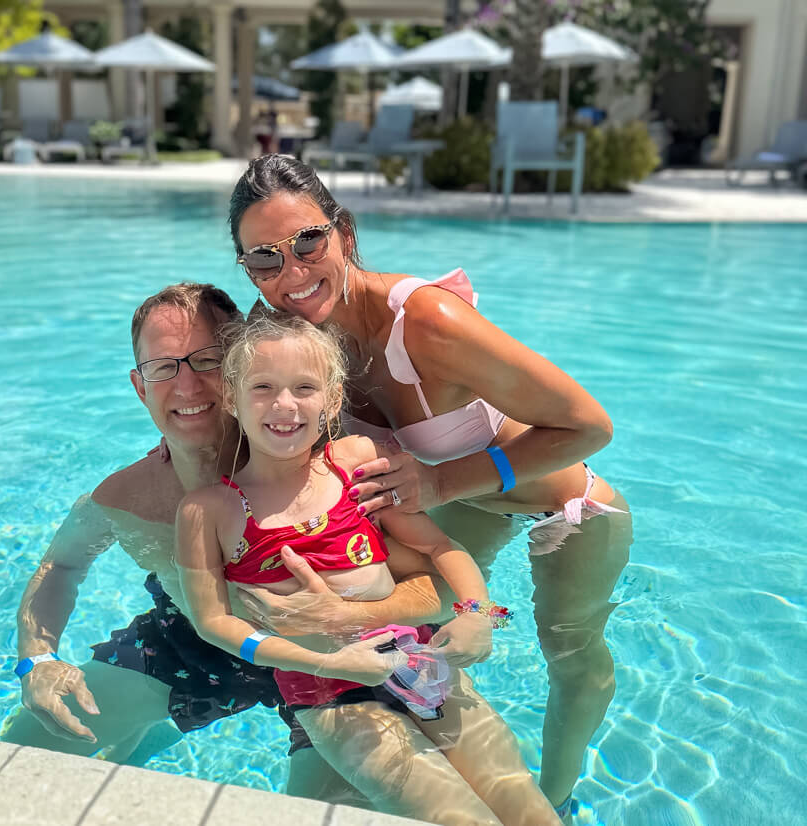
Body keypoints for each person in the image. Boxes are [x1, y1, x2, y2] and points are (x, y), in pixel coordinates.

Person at [227, 155, 634, 822]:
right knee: (428, 644)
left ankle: (557, 794)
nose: (292, 273)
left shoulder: (426, 323)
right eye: (265, 259)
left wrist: (442, 479)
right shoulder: (294, 343)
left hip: (563, 507)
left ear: (344, 233)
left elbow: (589, 425)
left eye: (308, 242)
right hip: (457, 509)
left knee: (569, 649)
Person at [3, 282, 453, 805]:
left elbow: (442, 583)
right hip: (199, 648)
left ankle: (150, 737)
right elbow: (61, 564)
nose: (189, 386)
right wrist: (36, 660)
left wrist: (344, 616)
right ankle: (147, 736)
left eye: (208, 359)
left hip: (345, 662)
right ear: (139, 385)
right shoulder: (127, 497)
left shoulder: (336, 470)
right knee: (19, 758)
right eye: (164, 367)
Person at [176, 310, 560, 826]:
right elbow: (213, 623)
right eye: (262, 386)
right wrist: (332, 664)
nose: (285, 404)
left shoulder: (355, 463)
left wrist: (478, 614)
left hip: (421, 660)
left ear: (332, 399)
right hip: (329, 692)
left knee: (530, 814)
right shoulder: (209, 511)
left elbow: (442, 548)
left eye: (305, 387)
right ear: (231, 398)